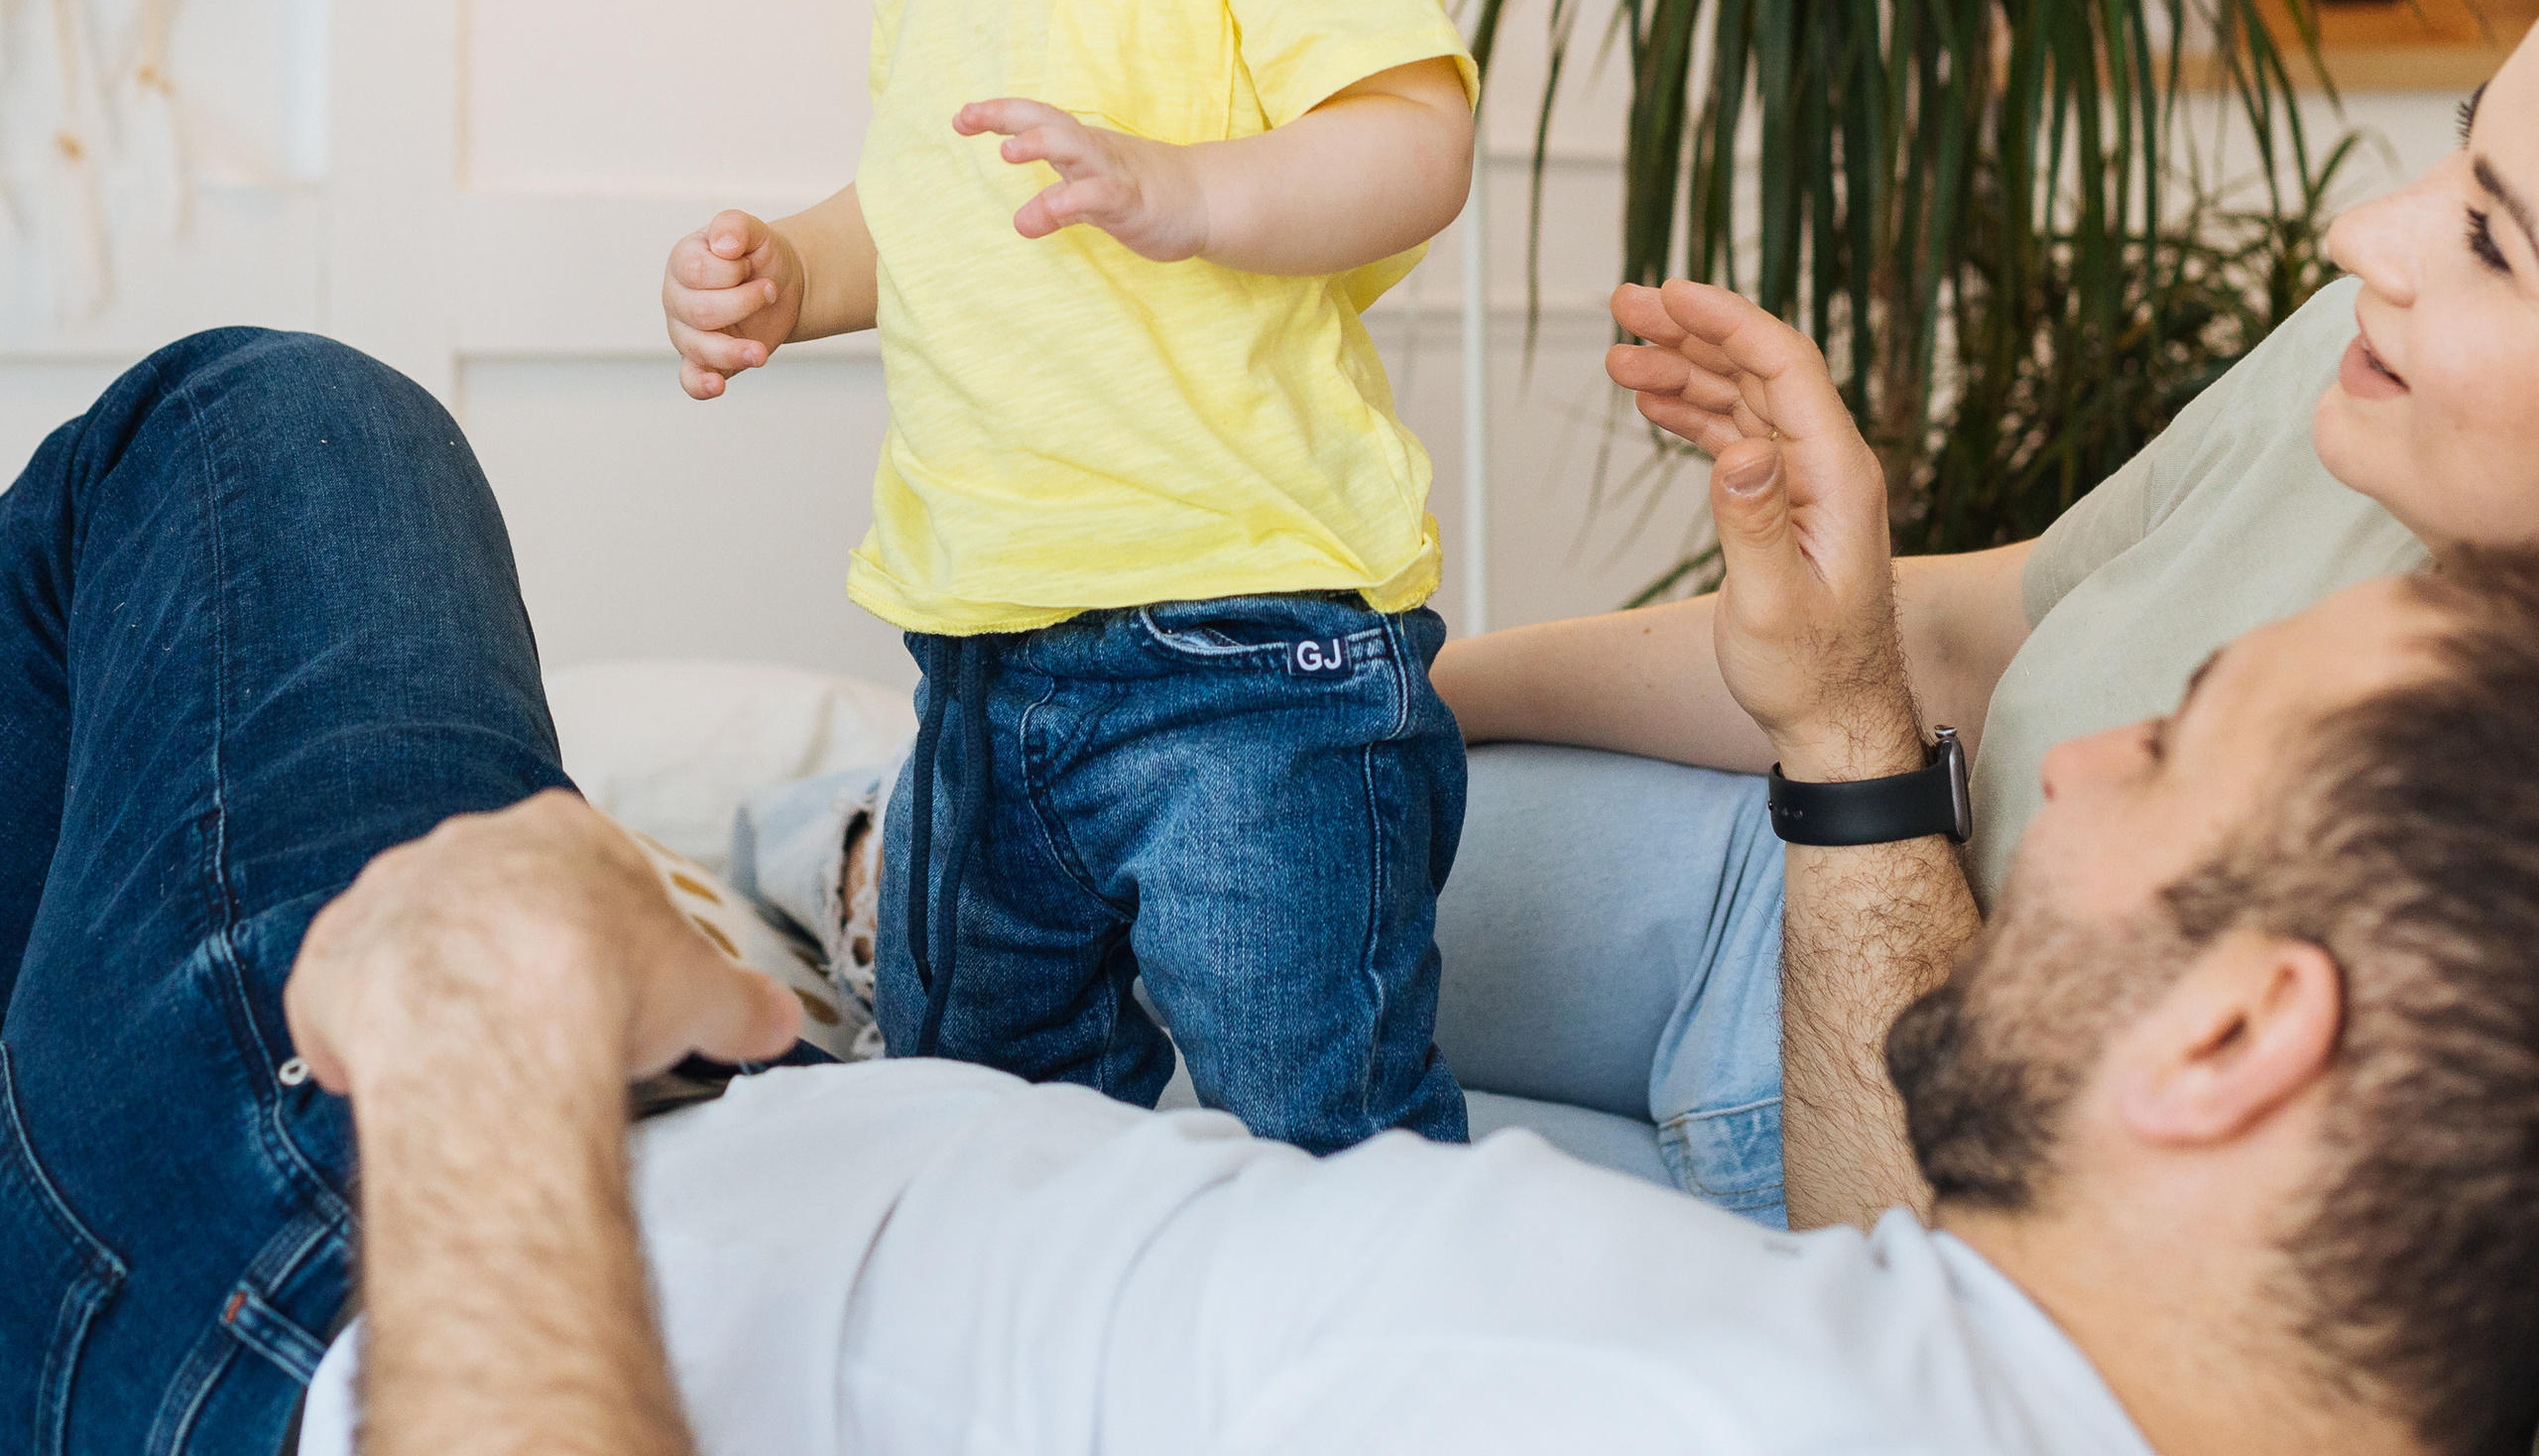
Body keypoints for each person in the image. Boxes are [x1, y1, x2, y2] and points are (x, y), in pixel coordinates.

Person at [287, 558, 2539, 1456]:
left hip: (401, 1259)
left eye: (2174, 732)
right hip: (649, 1137)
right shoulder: (1970, 1367)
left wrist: (487, 1005)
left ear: (2239, 1034)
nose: (2070, 755)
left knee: (268, 439)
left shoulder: (1701, 1420)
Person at [657, 0, 1479, 1149]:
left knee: (1322, 1107)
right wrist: (791, 267)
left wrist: (1197, 189)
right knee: (978, 1117)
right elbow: (933, 214)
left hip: (1249, 652)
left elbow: (1410, 137)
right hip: (980, 654)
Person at [1426, 34, 2539, 1226]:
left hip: (1906, 1189)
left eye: (2490, 238)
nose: (2359, 233)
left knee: (1264, 1211)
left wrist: (1854, 754)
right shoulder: (2359, 370)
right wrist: (1407, 693)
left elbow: (1979, 1330)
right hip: (1765, 884)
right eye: (2462, 144)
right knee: (1258, 853)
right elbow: (1965, 637)